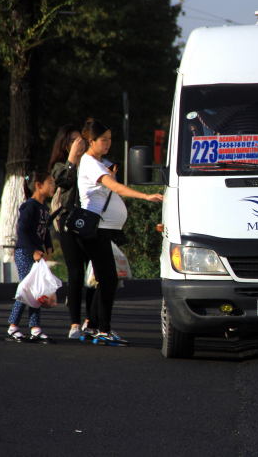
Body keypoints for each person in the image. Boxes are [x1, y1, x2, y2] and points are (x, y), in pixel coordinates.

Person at [78, 119, 163, 346]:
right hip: (98, 230)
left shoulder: (98, 163)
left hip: (105, 230)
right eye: (103, 140)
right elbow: (115, 188)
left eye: (110, 140)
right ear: (91, 141)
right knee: (108, 280)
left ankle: (93, 327)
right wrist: (146, 196)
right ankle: (102, 330)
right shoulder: (90, 163)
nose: (108, 144)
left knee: (104, 279)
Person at [49, 124, 95, 339]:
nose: (79, 143)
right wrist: (73, 160)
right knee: (76, 273)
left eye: (81, 140)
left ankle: (91, 321)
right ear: (65, 145)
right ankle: (75, 324)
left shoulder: (92, 163)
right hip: (69, 222)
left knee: (93, 273)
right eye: (73, 141)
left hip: (92, 222)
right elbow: (62, 181)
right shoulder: (61, 166)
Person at [5, 170, 56, 344]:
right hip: (25, 253)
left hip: (36, 255)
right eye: (50, 182)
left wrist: (48, 246)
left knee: (36, 292)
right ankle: (13, 328)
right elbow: (22, 231)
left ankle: (36, 329)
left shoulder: (44, 207)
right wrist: (33, 250)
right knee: (27, 290)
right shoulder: (30, 206)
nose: (54, 186)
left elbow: (45, 229)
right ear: (39, 185)